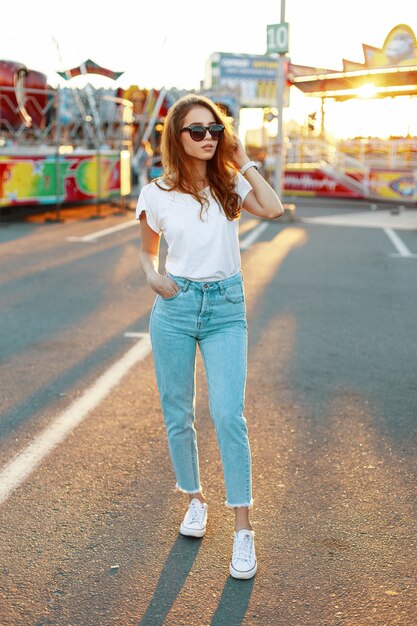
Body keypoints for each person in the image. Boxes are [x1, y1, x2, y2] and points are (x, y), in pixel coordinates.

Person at [137, 93, 283, 579]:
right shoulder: (156, 192)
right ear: (177, 137)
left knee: (227, 414)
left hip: (225, 307)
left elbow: (274, 208)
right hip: (175, 307)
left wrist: (243, 159)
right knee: (177, 411)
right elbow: (146, 251)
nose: (206, 138)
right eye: (196, 131)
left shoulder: (228, 184)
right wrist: (152, 277)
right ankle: (194, 499)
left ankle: (243, 529)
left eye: (214, 130)